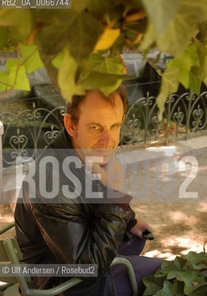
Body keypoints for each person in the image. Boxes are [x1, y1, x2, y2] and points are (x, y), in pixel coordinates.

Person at [15, 86, 162, 296]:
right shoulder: (51, 182)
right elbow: (88, 267)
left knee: (136, 237)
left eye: (114, 126)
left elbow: (87, 203)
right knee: (166, 275)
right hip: (61, 283)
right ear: (70, 125)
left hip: (72, 255)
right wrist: (116, 197)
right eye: (95, 127)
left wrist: (128, 219)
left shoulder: (85, 152)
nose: (108, 140)